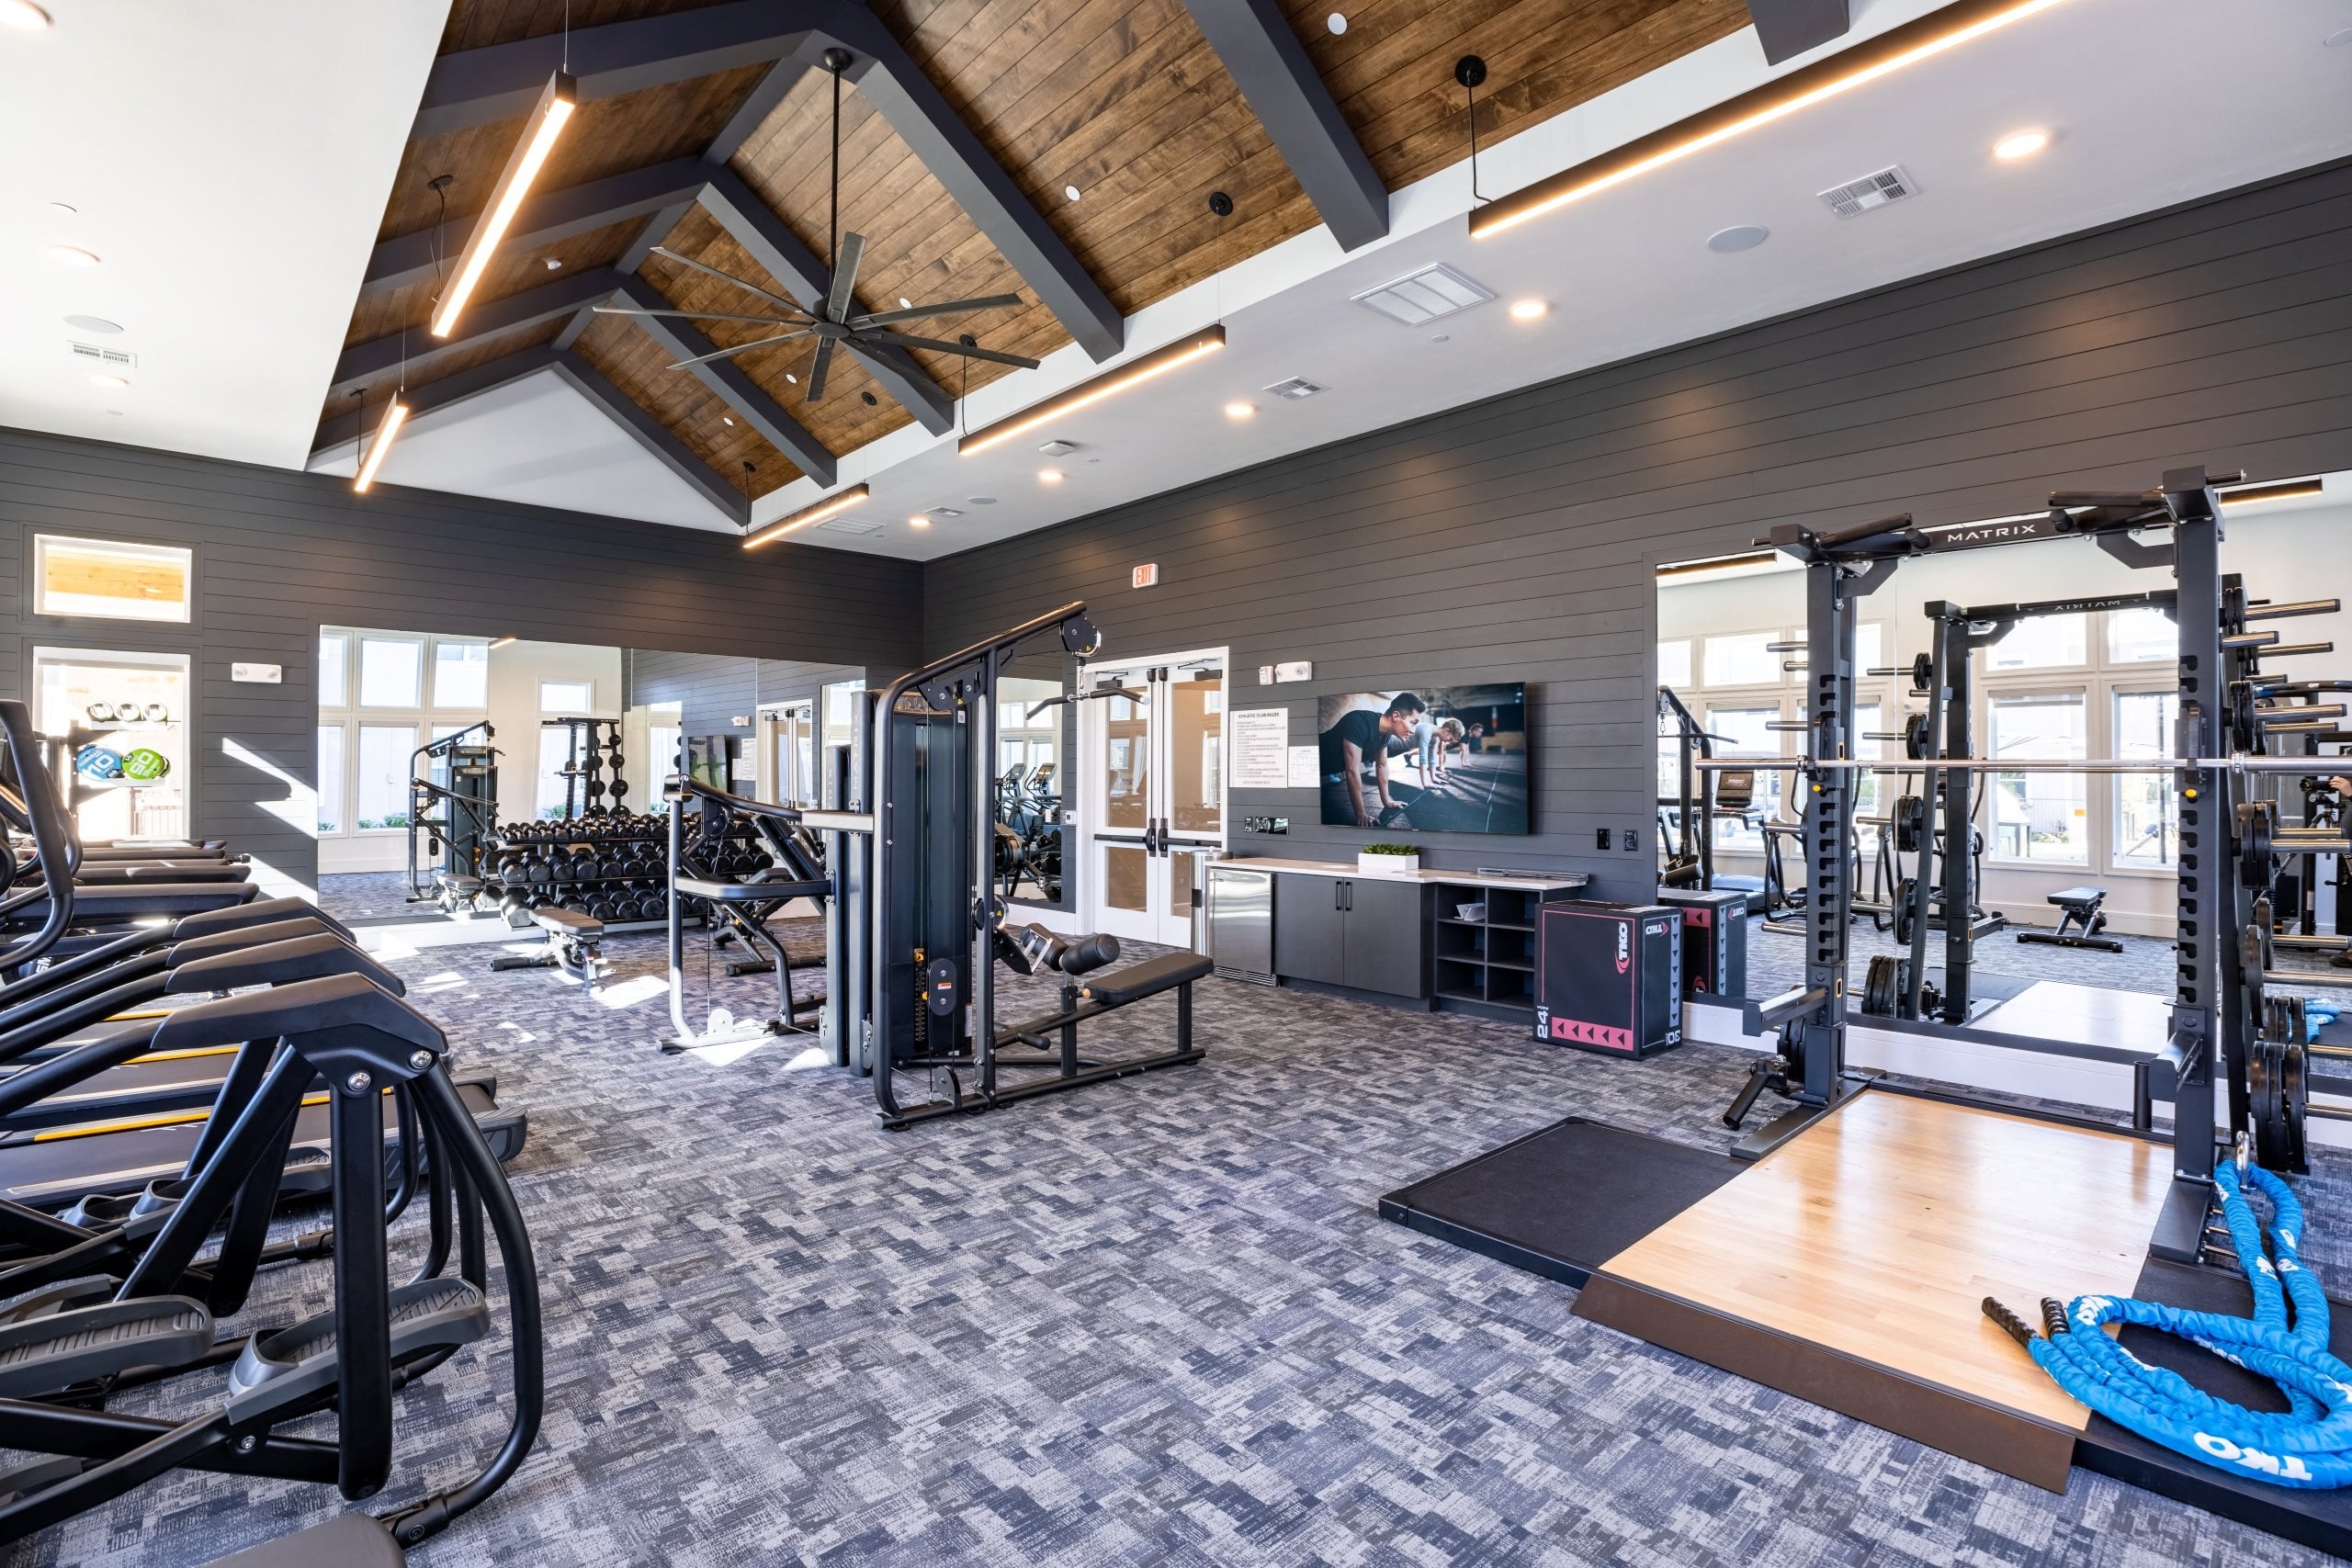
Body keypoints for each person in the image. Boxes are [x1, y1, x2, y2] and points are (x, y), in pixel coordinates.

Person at [1320, 694, 1425, 828]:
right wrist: (1361, 814)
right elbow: (1352, 771)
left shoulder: (1385, 736)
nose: (1413, 730)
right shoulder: (1358, 721)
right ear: (1396, 716)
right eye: (1413, 723)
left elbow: (1382, 766)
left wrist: (1387, 801)